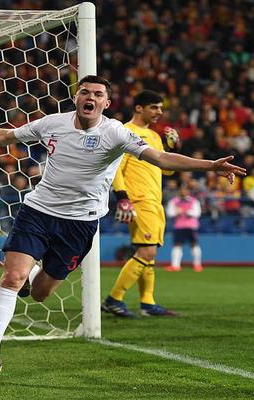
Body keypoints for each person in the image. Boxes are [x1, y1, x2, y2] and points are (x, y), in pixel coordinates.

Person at [0, 75, 246, 375]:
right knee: (11, 277)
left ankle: (34, 273)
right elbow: (4, 136)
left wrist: (210, 165)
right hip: (38, 212)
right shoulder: (53, 123)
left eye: (98, 94)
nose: (90, 97)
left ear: (106, 103)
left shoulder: (116, 132)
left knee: (40, 294)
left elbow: (160, 158)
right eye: (85, 91)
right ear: (76, 96)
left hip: (79, 224)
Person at [101, 90, 181, 318]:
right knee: (146, 252)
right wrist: (123, 197)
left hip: (154, 200)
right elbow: (115, 168)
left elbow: (167, 169)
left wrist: (173, 148)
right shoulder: (125, 132)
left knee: (149, 253)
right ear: (139, 108)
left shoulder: (154, 136)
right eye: (154, 107)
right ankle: (114, 299)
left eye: (161, 108)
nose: (159, 112)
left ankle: (147, 303)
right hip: (139, 199)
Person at [165, 184, 203, 272]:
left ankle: (197, 265)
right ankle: (175, 266)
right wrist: (176, 212)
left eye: (185, 190)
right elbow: (169, 213)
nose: (183, 191)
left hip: (191, 226)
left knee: (194, 244)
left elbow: (197, 213)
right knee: (177, 245)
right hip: (178, 226)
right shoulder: (173, 201)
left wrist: (187, 212)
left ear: (188, 191)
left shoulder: (194, 201)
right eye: (182, 190)